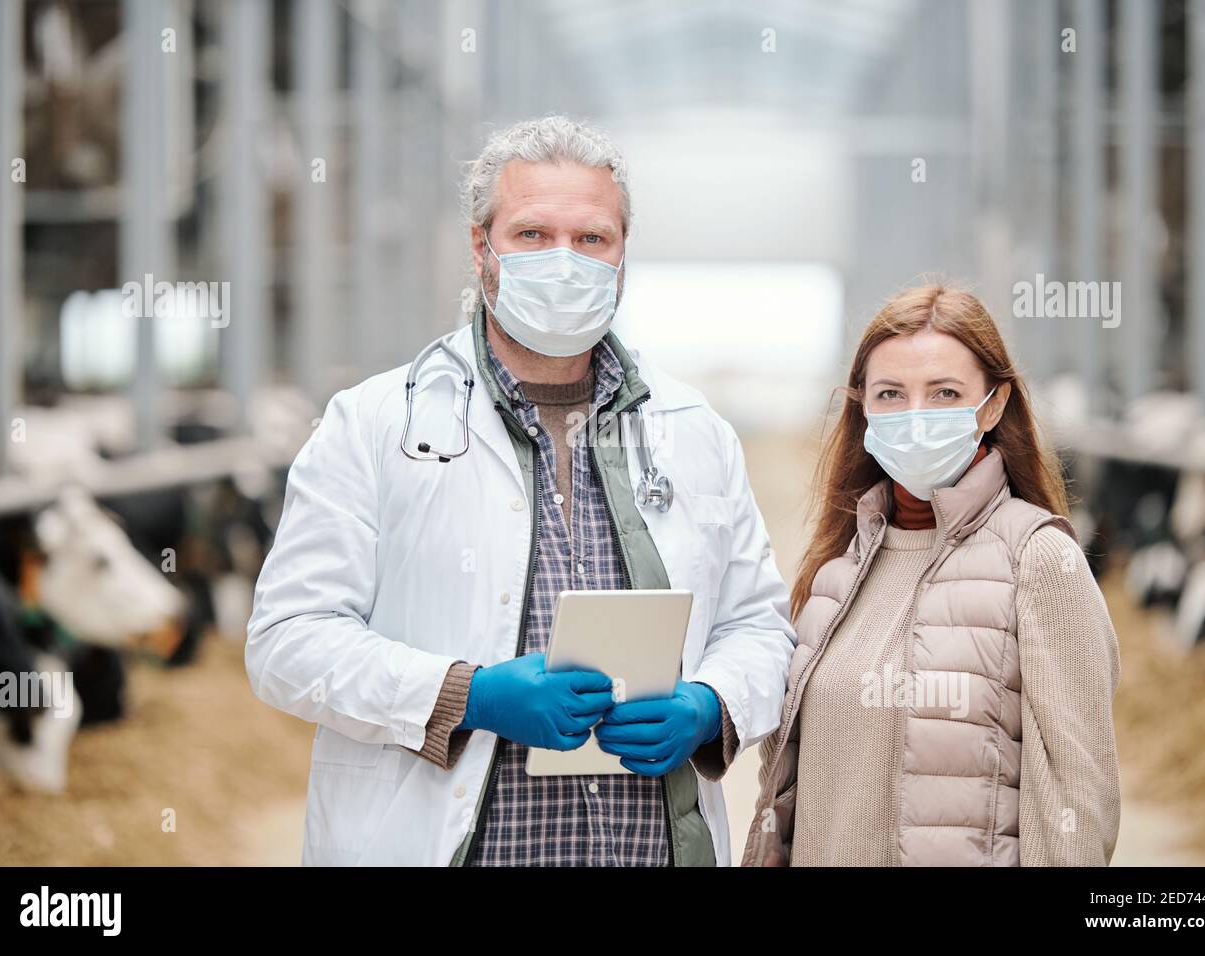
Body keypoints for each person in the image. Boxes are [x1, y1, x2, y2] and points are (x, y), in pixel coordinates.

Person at [246, 115, 795, 866]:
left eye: (592, 239)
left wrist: (711, 705)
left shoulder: (694, 430)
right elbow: (287, 641)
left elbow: (760, 630)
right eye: (533, 235)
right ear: (483, 249)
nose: (564, 260)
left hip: (646, 847)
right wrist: (466, 696)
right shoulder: (373, 423)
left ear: (623, 255)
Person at [742, 284, 1121, 866]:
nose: (916, 416)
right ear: (863, 407)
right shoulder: (836, 573)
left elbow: (1077, 802)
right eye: (891, 393)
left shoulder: (1040, 561)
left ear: (992, 406)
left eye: (945, 392)